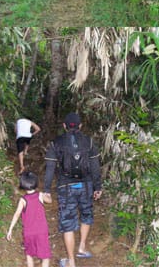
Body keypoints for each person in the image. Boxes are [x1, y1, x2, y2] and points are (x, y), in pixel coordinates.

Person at [44, 112, 102, 267]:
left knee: (68, 222)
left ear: (64, 126)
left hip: (65, 186)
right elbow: (95, 166)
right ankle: (81, 247)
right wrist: (98, 187)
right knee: (86, 215)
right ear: (80, 126)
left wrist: (46, 190)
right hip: (87, 185)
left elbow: (50, 168)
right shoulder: (89, 142)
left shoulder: (55, 143)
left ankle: (71, 262)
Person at [6, 171, 52, 267]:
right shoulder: (40, 195)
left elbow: (16, 214)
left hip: (29, 233)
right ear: (36, 183)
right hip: (41, 232)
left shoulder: (23, 200)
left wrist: (10, 229)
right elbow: (49, 201)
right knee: (45, 256)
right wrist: (47, 194)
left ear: (22, 185)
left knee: (29, 255)